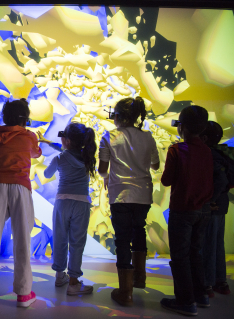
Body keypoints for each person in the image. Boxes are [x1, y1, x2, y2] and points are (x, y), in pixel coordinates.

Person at [0, 98, 41, 309]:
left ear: (5, 117)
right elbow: (36, 153)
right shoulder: (29, 137)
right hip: (21, 188)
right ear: (25, 118)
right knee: (22, 239)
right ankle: (23, 294)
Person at [98, 96, 160, 306]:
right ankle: (139, 278)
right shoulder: (148, 137)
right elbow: (155, 165)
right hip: (143, 194)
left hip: (120, 195)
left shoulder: (110, 136)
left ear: (117, 116)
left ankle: (126, 292)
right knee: (139, 229)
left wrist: (107, 177)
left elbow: (102, 169)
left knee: (122, 238)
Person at [160, 105, 213, 316]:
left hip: (182, 209)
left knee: (180, 257)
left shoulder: (176, 150)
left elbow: (165, 181)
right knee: (195, 253)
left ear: (181, 127)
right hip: (203, 210)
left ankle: (186, 301)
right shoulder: (207, 150)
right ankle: (201, 295)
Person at [38, 122, 97, 295]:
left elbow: (47, 174)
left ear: (67, 141)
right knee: (77, 243)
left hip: (62, 203)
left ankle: (59, 276)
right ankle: (73, 282)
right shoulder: (88, 157)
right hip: (81, 204)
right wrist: (50, 143)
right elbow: (66, 150)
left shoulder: (59, 158)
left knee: (60, 239)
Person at [200, 121, 230, 297]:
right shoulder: (221, 153)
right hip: (221, 204)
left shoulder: (209, 155)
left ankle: (207, 285)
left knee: (208, 244)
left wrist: (209, 199)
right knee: (218, 244)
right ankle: (221, 282)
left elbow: (220, 180)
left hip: (212, 205)